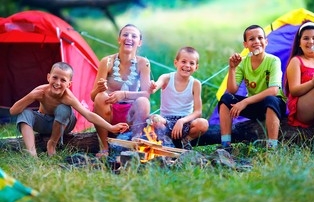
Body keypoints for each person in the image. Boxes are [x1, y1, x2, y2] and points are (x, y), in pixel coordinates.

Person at [9, 62, 129, 157]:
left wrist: (111, 127)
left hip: (64, 125)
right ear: (48, 77)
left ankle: (52, 144)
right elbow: (13, 111)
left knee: (64, 109)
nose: (57, 83)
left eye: (63, 80)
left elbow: (88, 115)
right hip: (45, 123)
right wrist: (31, 97)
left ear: (69, 84)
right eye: (55, 78)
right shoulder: (40, 91)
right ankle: (32, 153)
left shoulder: (68, 97)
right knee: (24, 113)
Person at [218, 25, 286, 151]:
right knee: (225, 98)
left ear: (266, 41)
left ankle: (272, 147)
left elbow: (273, 90)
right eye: (251, 39)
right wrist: (232, 68)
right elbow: (232, 90)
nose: (256, 42)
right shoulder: (243, 62)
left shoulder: (273, 61)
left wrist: (245, 101)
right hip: (256, 106)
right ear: (245, 44)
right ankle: (226, 145)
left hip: (274, 105)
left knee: (270, 99)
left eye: (260, 38)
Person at [90, 24, 151, 156]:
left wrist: (124, 94)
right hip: (109, 115)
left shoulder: (143, 63)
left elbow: (147, 94)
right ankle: (104, 148)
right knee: (100, 97)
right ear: (119, 39)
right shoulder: (107, 61)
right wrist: (100, 89)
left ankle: (134, 146)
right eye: (125, 35)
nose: (129, 38)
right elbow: (93, 96)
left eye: (134, 36)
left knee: (143, 102)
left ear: (139, 42)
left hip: (130, 116)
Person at [148, 46, 209, 150]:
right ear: (176, 63)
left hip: (185, 122)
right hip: (166, 120)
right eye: (183, 61)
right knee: (153, 119)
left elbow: (198, 112)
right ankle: (167, 142)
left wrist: (181, 121)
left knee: (203, 123)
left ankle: (184, 142)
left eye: (191, 63)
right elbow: (154, 88)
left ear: (196, 67)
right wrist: (152, 85)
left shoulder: (195, 84)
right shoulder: (166, 78)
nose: (187, 66)